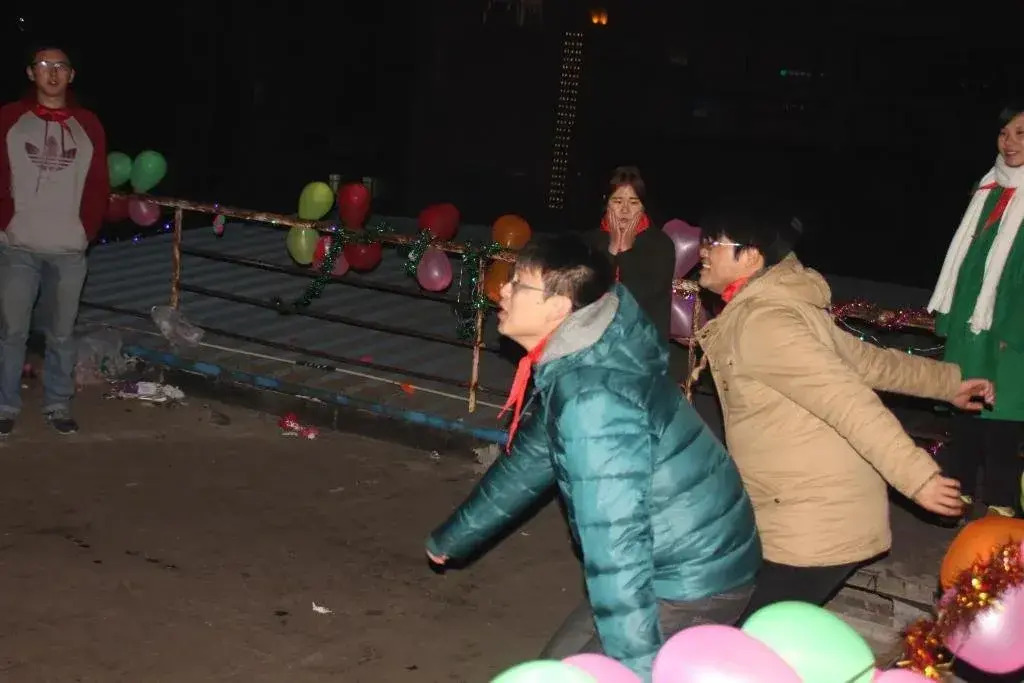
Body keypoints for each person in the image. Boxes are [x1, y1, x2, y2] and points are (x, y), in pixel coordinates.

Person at [424, 235, 760, 681]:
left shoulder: (592, 396)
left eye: (518, 284)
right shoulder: (583, 355)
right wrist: (454, 537)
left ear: (558, 308)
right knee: (555, 668)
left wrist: (634, 670)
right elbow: (529, 463)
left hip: (692, 582)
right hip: (677, 556)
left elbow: (616, 541)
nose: (502, 289)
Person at [693, 199, 995, 620]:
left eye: (714, 243)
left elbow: (847, 399)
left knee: (752, 636)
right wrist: (947, 384)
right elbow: (867, 361)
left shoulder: (766, 323)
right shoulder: (776, 308)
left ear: (752, 256)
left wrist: (918, 477)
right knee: (748, 623)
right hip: (795, 508)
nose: (702, 251)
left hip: (813, 522)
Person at [0, 45, 109, 435]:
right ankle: (4, 405)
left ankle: (58, 404)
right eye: (44, 65)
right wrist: (4, 223)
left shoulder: (88, 124)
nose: (52, 72)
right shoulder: (10, 118)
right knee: (11, 332)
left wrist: (85, 231)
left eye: (60, 66)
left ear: (71, 75)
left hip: (68, 250)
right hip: (18, 246)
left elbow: (98, 183)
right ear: (31, 73)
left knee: (61, 334)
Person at [928, 102, 1024, 518]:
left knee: (1004, 413)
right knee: (965, 404)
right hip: (973, 320)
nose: (1009, 142)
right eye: (1004, 133)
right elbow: (966, 261)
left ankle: (1002, 504)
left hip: (1011, 326)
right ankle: (959, 490)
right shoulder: (989, 187)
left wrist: (1013, 328)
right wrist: (951, 318)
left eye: (1021, 134)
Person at [589, 166, 675, 340]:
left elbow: (642, 298)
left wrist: (626, 252)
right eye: (617, 201)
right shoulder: (592, 240)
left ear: (643, 207)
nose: (625, 210)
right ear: (607, 204)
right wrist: (613, 249)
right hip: (595, 334)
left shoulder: (660, 244)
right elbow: (589, 294)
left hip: (642, 338)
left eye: (634, 202)